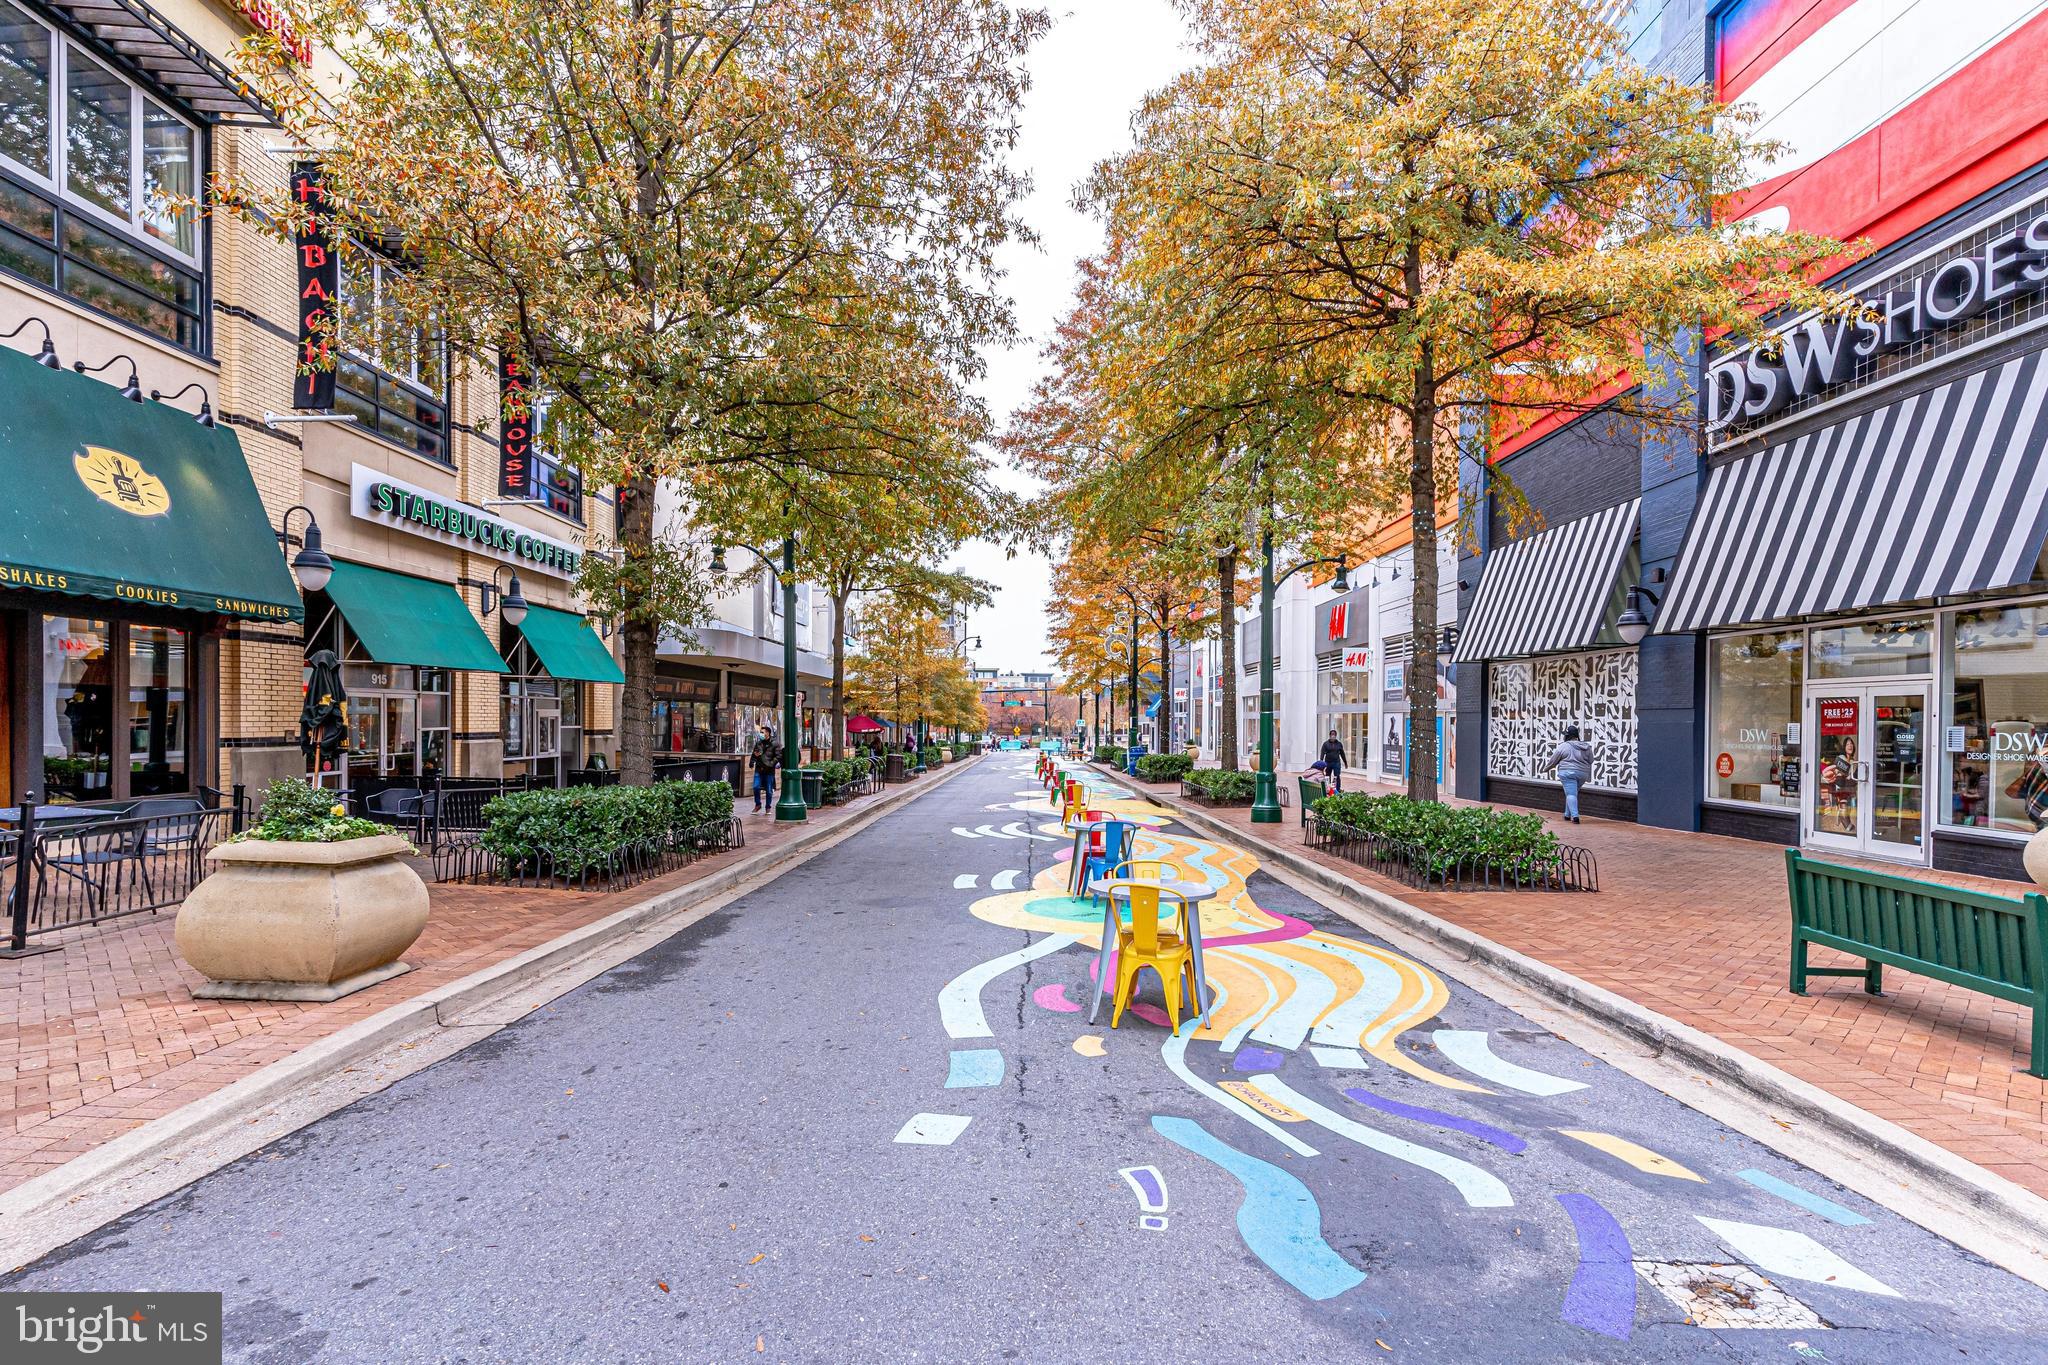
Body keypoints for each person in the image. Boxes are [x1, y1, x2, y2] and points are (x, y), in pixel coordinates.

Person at [1540, 724, 1593, 824]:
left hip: (1567, 773)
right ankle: (1567, 815)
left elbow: (1553, 760)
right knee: (1572, 793)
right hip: (1582, 774)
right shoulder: (1586, 747)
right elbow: (1591, 760)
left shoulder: (1563, 746)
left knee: (1571, 794)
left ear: (1567, 736)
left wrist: (1546, 769)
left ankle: (1575, 816)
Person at [749, 734, 778, 813]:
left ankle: (768, 807)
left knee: (769, 790)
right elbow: (754, 754)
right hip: (759, 769)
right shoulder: (758, 744)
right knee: (756, 787)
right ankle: (758, 804)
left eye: (764, 732)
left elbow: (777, 756)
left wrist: (773, 763)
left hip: (769, 771)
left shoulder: (773, 744)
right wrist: (751, 762)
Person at [1319, 729, 1348, 794]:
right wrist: (1321, 763)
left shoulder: (1339, 744)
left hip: (1336, 763)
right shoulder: (1325, 744)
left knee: (1337, 776)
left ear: (1336, 735)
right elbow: (1322, 753)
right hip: (1328, 763)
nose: (1333, 736)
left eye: (1334, 735)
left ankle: (1337, 790)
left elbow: (1342, 754)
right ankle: (1327, 789)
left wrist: (1345, 762)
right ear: (1329, 735)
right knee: (1327, 776)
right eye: (1332, 735)